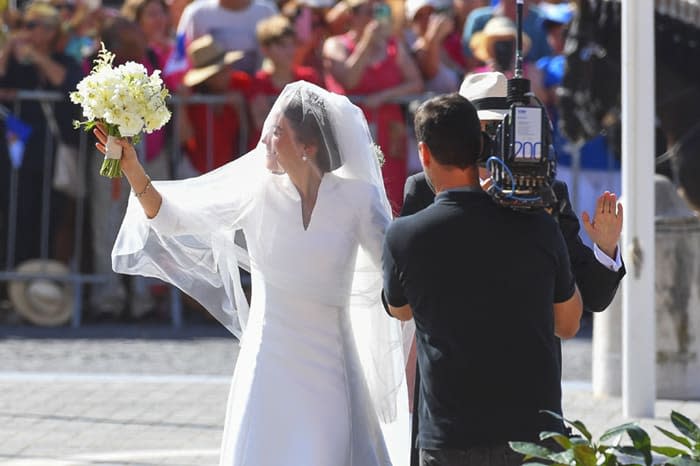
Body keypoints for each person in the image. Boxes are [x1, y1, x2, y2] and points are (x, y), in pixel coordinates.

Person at [92, 81, 409, 465]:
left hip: (332, 362)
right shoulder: (257, 190)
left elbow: (393, 266)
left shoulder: (358, 198)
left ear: (308, 148)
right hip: (269, 358)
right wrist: (132, 169)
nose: (265, 141)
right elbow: (175, 219)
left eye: (277, 133)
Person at [400, 71, 625, 465]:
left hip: (528, 396)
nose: (487, 143)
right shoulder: (424, 188)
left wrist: (605, 247)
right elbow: (404, 295)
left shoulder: (546, 193)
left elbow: (590, 296)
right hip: (451, 398)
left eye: (497, 129)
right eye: (480, 130)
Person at [323, 0, 423, 214]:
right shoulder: (335, 44)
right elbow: (349, 80)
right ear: (352, 15)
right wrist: (367, 42)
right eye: (368, 12)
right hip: (351, 131)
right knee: (352, 192)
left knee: (390, 192)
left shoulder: (392, 45)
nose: (374, 18)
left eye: (378, 12)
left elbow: (415, 82)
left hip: (390, 133)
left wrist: (383, 96)